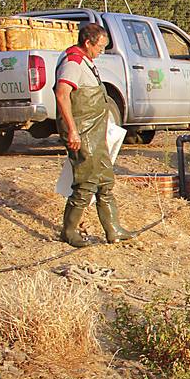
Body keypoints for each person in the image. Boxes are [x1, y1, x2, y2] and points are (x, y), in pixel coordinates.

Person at [56, 23, 133, 247]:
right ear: (87, 42)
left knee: (105, 179)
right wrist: (72, 130)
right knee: (86, 181)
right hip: (82, 131)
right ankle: (69, 231)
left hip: (96, 131)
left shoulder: (86, 61)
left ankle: (113, 228)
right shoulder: (73, 62)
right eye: (100, 46)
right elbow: (62, 95)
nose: (102, 50)